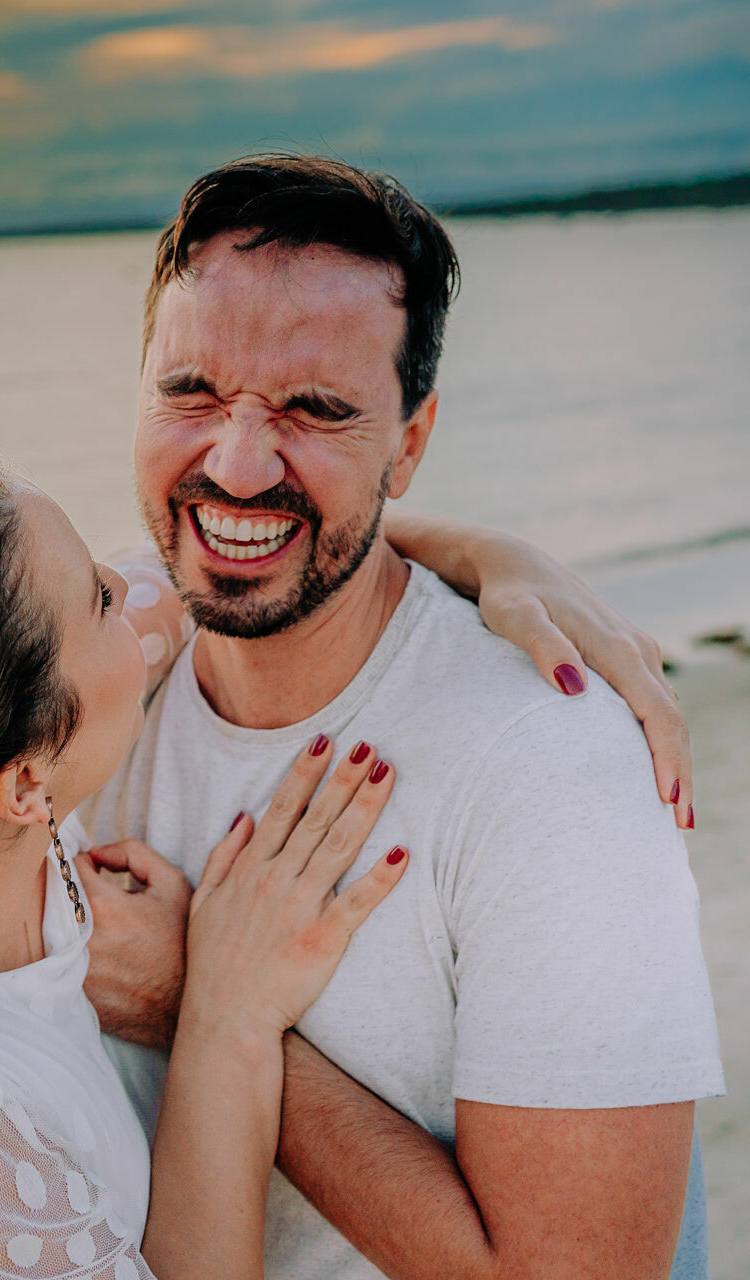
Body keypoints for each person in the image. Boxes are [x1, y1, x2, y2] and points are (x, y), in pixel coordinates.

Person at [0, 442, 689, 1278]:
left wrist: (491, 555)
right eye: (97, 598)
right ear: (25, 779)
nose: (144, 604)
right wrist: (221, 1004)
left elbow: (239, 560)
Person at [75, 154, 723, 1280]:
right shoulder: (83, 688)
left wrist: (196, 995)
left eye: (314, 409)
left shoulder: (548, 766)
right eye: (191, 393)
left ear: (411, 442)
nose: (234, 460)